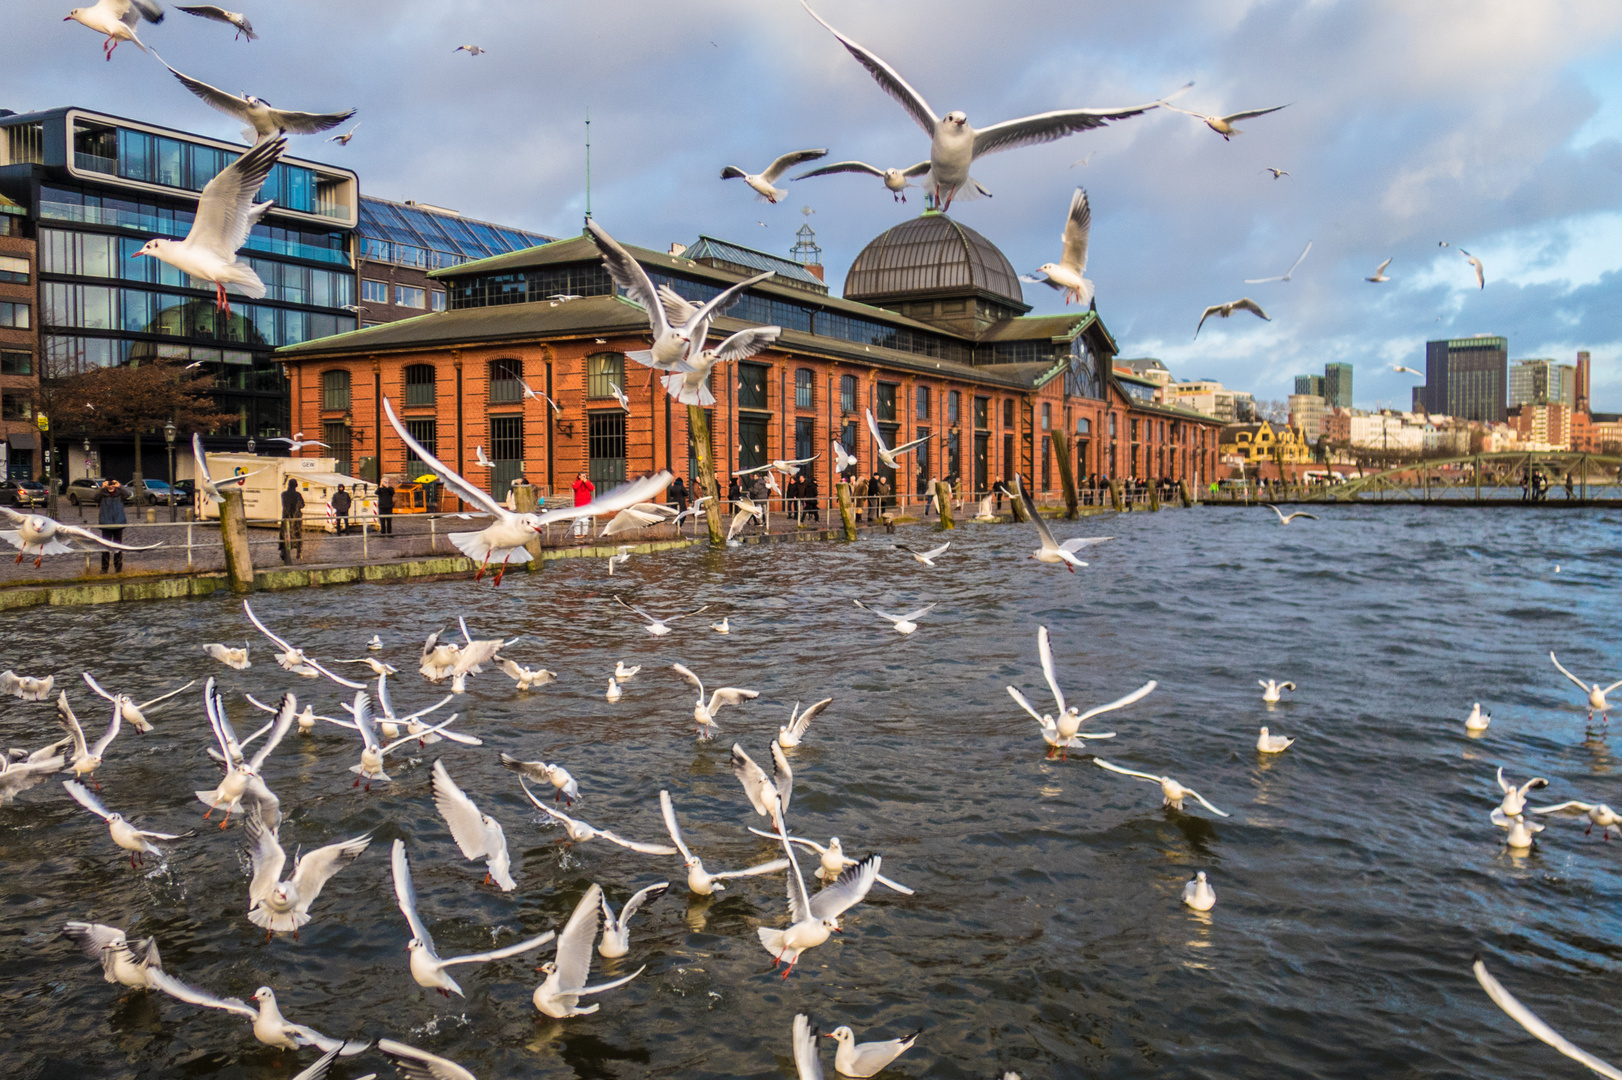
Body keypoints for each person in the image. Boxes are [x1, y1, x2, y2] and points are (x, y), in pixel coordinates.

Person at [96, 478, 126, 574]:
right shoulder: (102, 494)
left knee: (118, 548)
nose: (111, 485)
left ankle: (118, 569)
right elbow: (95, 498)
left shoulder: (120, 493)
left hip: (118, 523)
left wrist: (120, 486)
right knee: (105, 548)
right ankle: (104, 569)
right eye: (109, 483)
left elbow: (129, 494)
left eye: (112, 483)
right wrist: (101, 488)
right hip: (106, 524)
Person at [280, 477, 305, 562]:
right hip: (296, 518)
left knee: (284, 534)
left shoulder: (283, 494)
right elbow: (302, 505)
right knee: (297, 534)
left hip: (286, 517)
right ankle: (299, 553)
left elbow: (284, 505)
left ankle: (284, 552)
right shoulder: (298, 495)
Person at [571, 471, 595, 538]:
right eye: (582, 476)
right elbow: (575, 487)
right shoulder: (576, 482)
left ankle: (585, 533)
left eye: (585, 476)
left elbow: (592, 488)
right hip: (579, 504)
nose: (584, 477)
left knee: (586, 519)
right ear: (579, 476)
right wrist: (580, 481)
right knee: (578, 519)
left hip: (587, 503)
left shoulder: (587, 482)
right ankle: (577, 533)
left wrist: (586, 482)